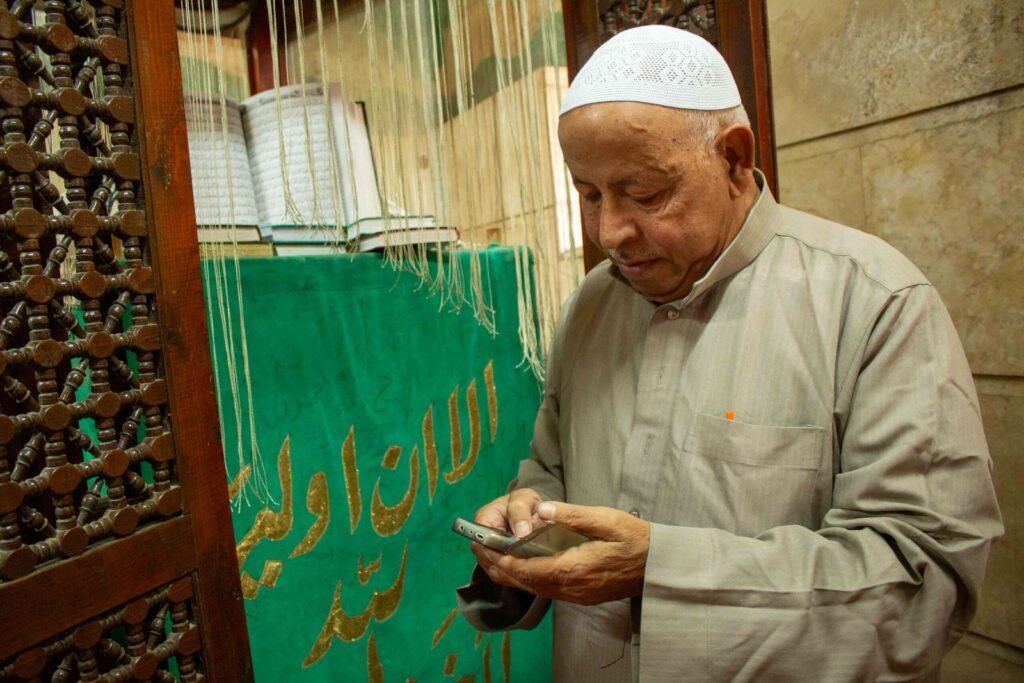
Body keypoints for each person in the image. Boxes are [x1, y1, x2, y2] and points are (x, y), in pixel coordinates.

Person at [455, 24, 1003, 683]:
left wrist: (660, 570)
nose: (610, 232)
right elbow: (553, 472)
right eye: (590, 195)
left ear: (735, 158)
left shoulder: (873, 303)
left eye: (645, 193)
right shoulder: (591, 306)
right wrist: (525, 524)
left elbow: (922, 584)